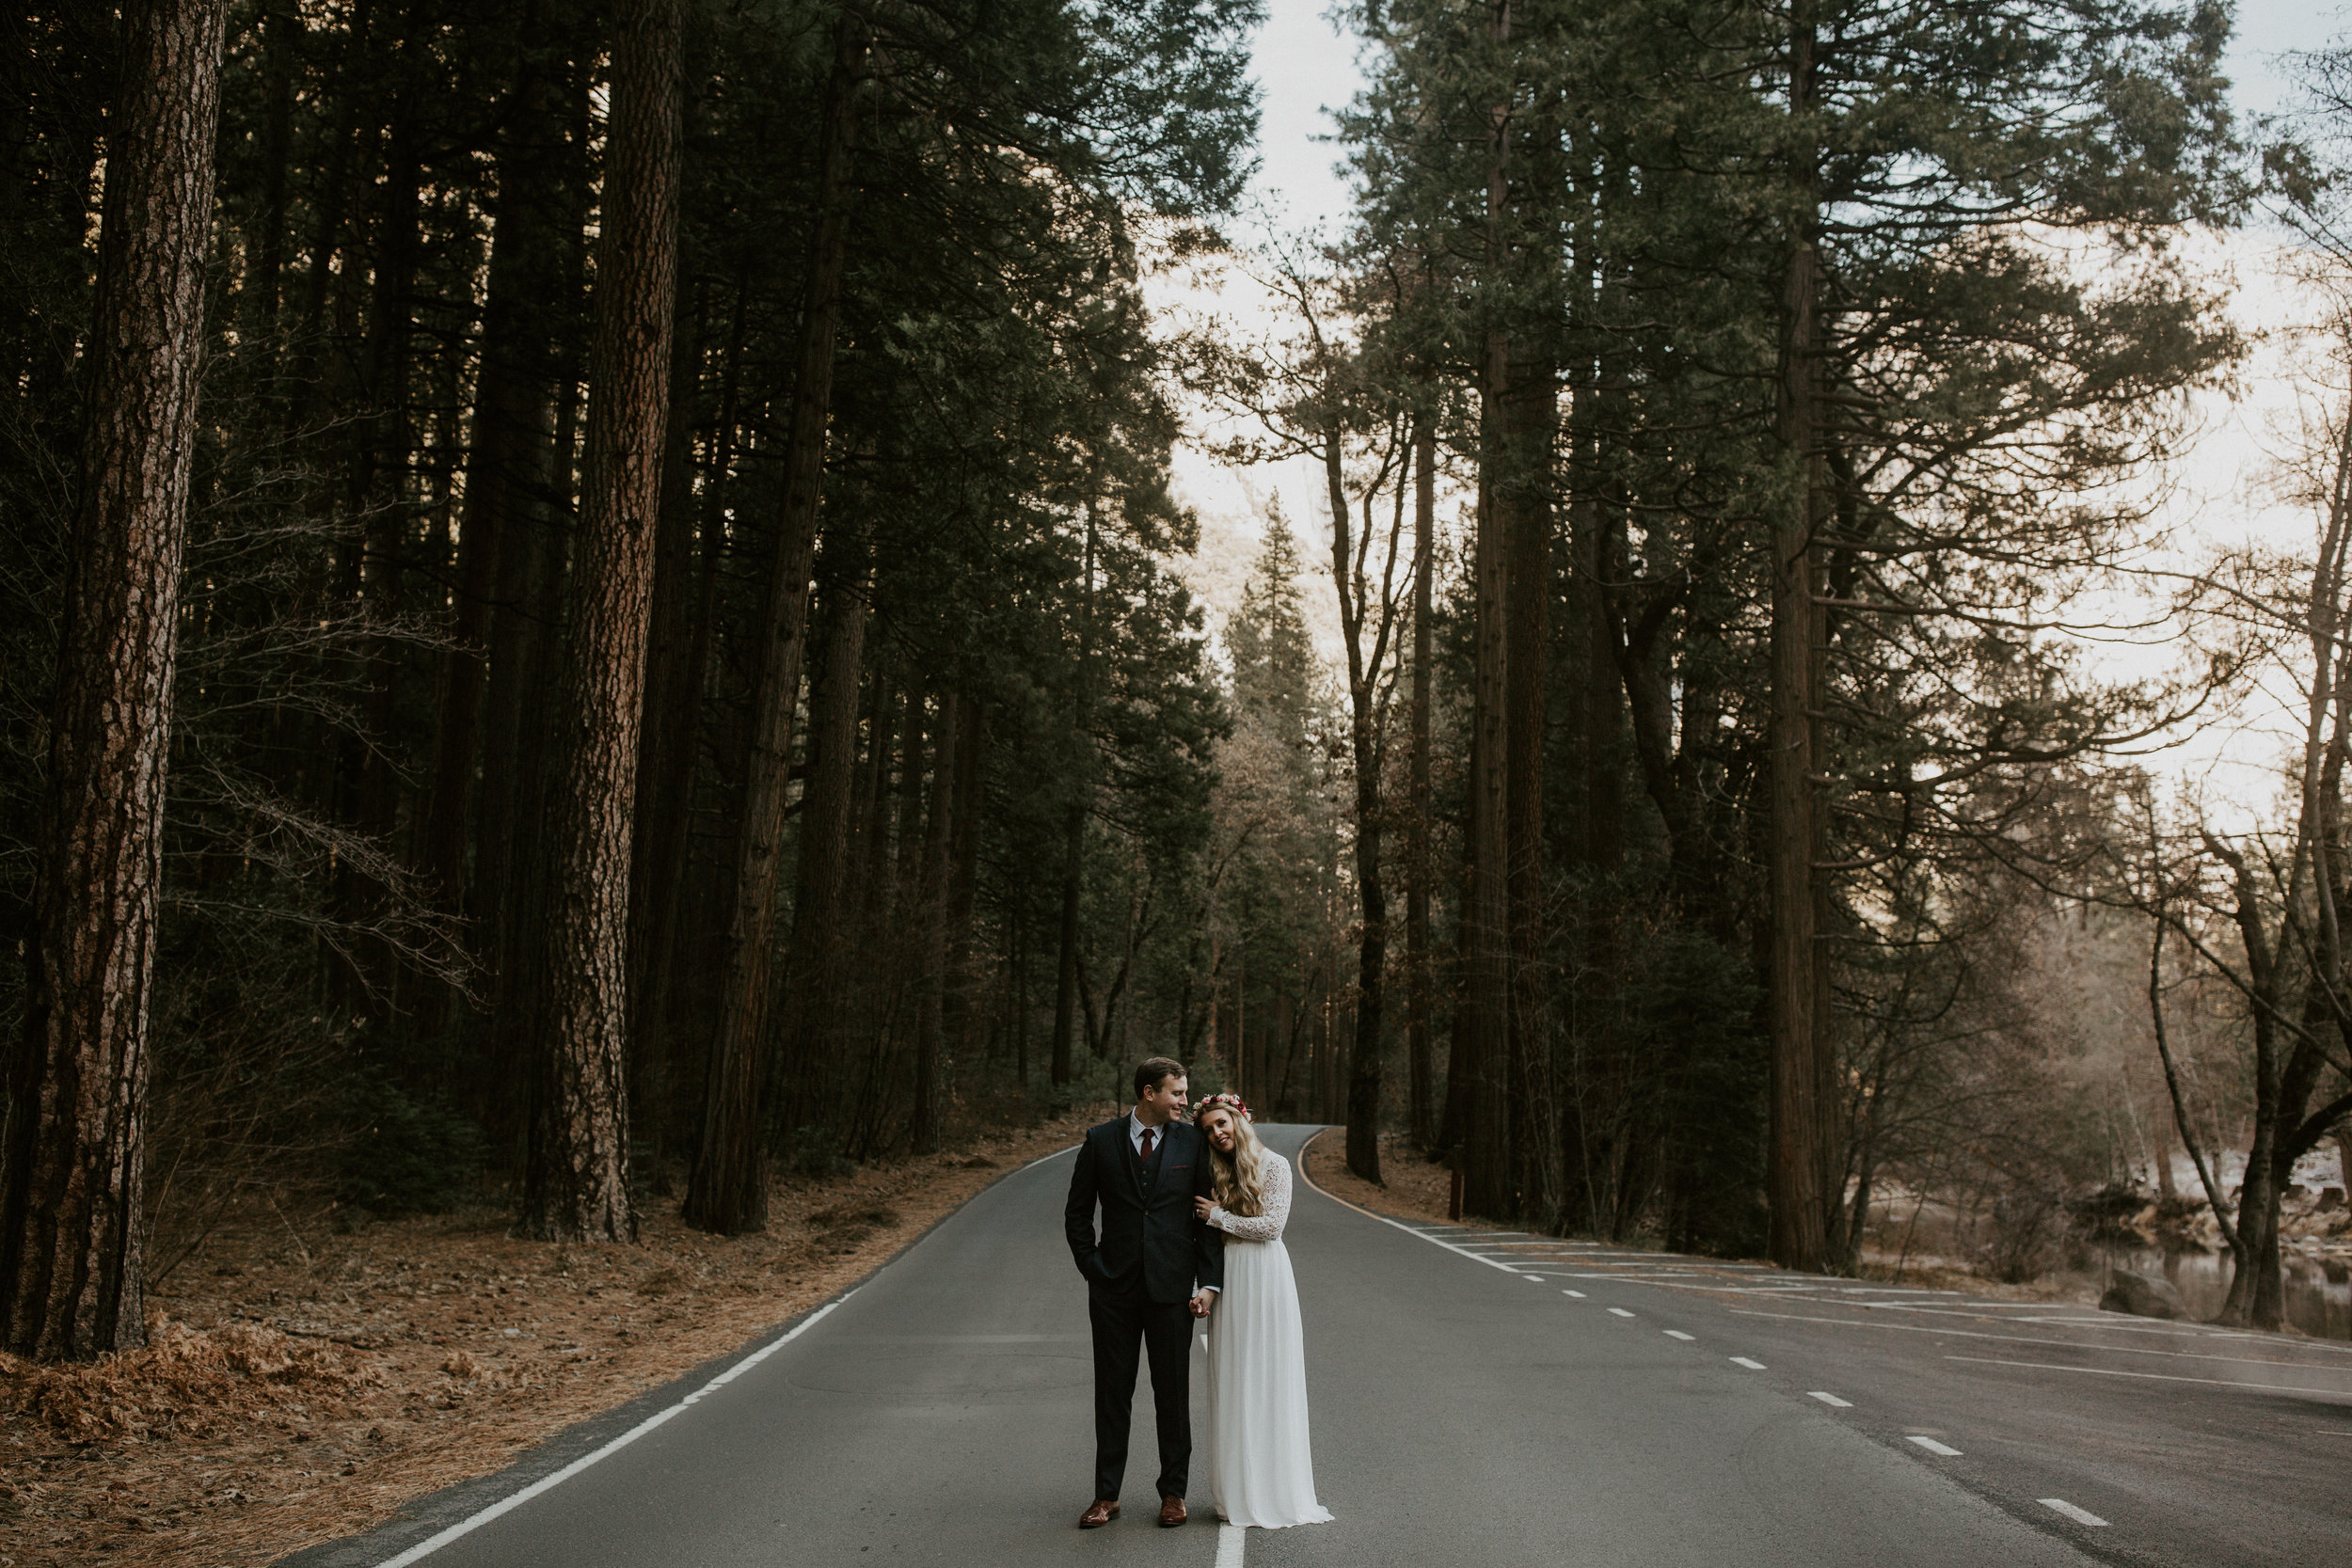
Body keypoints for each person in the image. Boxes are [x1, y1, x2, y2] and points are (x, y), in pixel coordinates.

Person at [1063, 1057, 1224, 1529]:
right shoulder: (1100, 1141)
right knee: (1113, 1393)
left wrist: (1207, 1283)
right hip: (1113, 1290)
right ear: (1149, 1093)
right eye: (1177, 1093)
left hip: (1171, 1289)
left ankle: (1174, 1494)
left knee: (1172, 1394)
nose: (1184, 1101)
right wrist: (1093, 1267)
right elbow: (1076, 1214)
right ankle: (1106, 1495)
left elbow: (1206, 1220)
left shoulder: (1192, 1143)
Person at [1191, 1094, 1333, 1530]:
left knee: (1269, 1375)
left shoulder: (1275, 1165)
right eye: (1209, 1129)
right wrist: (1206, 1285)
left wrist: (1218, 1216)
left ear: (1238, 1120)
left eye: (1222, 1123)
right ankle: (1237, 1490)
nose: (1217, 1133)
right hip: (1229, 1278)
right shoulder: (1213, 1171)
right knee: (1234, 1377)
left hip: (1265, 1275)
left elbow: (1272, 1226)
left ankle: (1275, 1490)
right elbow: (1204, 1239)